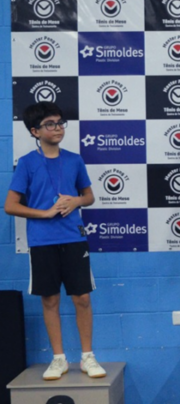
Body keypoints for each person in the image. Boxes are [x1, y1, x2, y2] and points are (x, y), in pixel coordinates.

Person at [4, 102, 105, 380]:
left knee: (82, 298)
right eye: (50, 124)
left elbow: (89, 196)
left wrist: (76, 201)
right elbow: (10, 205)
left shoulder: (74, 159)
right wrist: (45, 213)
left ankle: (87, 356)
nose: (58, 128)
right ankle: (59, 358)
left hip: (73, 238)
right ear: (35, 131)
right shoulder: (27, 163)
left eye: (60, 122)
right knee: (49, 299)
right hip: (42, 242)